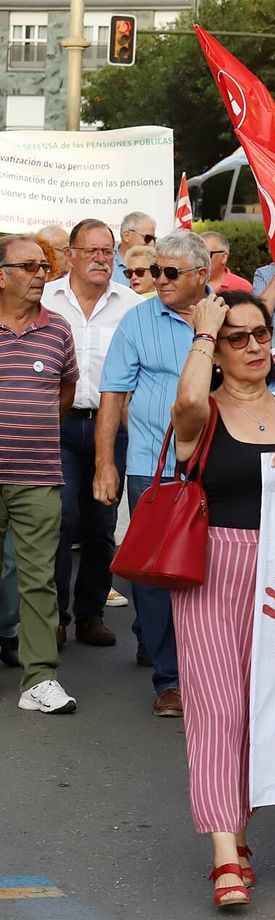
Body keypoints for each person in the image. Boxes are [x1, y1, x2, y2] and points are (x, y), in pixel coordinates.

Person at [169, 290, 275, 909]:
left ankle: (239, 828)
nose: (255, 347)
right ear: (216, 348)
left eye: (260, 335)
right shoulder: (200, 411)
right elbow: (183, 402)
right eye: (238, 338)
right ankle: (225, 856)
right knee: (217, 710)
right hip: (213, 566)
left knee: (262, 711)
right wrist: (202, 334)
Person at [97, 231, 215, 718]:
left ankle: (201, 664)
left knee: (209, 571)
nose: (158, 281)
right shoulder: (137, 320)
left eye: (170, 273)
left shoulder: (229, 318)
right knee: (155, 572)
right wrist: (107, 464)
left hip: (215, 464)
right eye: (155, 271)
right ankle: (169, 680)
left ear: (201, 277)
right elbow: (111, 394)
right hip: (153, 464)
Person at [42, 219, 142, 648]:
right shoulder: (45, 300)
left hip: (110, 427)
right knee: (60, 520)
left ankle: (90, 614)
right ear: (71, 256)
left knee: (102, 523)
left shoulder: (132, 305)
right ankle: (56, 616)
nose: (102, 259)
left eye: (109, 251)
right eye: (92, 251)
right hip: (56, 425)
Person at [0, 235, 79, 714]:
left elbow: (64, 396)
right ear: (2, 274)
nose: (39, 274)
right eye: (27, 266)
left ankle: (40, 679)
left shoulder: (59, 331)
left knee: (37, 580)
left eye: (44, 266)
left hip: (37, 473)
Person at [113, 211, 157, 287]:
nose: (152, 243)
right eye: (147, 238)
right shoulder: (107, 262)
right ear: (127, 236)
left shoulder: (158, 263)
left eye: (153, 239)